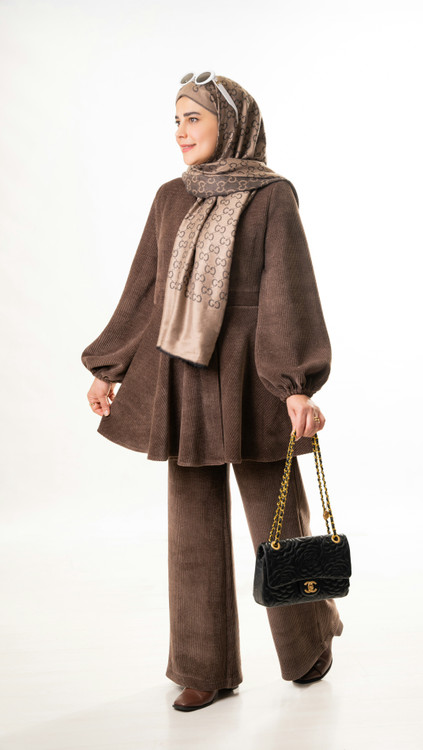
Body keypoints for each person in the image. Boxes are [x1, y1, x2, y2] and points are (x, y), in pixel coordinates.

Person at [81, 71, 344, 712]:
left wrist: (295, 386)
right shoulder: (170, 197)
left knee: (278, 517)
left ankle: (308, 641)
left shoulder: (272, 196)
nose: (180, 131)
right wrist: (109, 366)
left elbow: (288, 291)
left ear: (231, 123)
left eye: (193, 117)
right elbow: (146, 288)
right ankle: (204, 666)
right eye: (176, 119)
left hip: (253, 374)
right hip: (182, 374)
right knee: (191, 527)